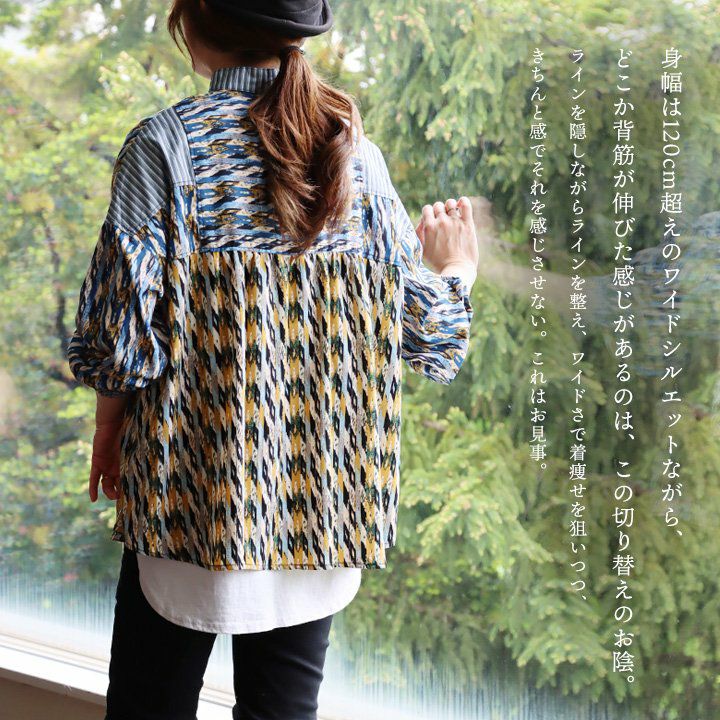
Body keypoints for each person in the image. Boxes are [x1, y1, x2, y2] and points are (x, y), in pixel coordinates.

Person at [66, 1, 479, 718]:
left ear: (193, 21)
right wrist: (456, 269)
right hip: (319, 505)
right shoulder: (354, 155)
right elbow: (432, 337)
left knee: (147, 704)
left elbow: (120, 343)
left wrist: (109, 430)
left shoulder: (164, 147)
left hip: (186, 496)